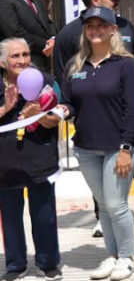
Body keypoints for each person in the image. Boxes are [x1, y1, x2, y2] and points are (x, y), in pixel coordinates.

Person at [52, 0, 134, 237]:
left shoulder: (124, 26)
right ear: (95, 0)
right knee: (99, 175)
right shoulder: (69, 34)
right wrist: (66, 109)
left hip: (126, 111)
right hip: (90, 117)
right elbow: (63, 76)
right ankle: (100, 217)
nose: (118, 2)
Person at [62, 7, 134, 281]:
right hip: (86, 147)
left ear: (112, 29)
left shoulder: (126, 64)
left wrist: (125, 148)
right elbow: (69, 104)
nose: (95, 30)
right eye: (90, 26)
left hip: (118, 147)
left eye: (101, 25)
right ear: (84, 31)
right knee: (103, 204)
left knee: (116, 204)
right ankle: (113, 255)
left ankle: (127, 257)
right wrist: (59, 111)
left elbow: (133, 109)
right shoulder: (75, 65)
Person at [0, 37, 63, 281]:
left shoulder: (45, 82)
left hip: (40, 156)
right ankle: (15, 264)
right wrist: (6, 107)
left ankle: (48, 263)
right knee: (10, 216)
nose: (23, 60)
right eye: (15, 56)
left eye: (25, 54)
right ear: (3, 62)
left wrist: (39, 115)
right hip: (5, 161)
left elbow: (57, 118)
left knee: (44, 214)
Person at [0, 0, 54, 70]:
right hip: (25, 60)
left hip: (45, 57)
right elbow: (14, 31)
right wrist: (44, 45)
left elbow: (47, 21)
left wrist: (53, 38)